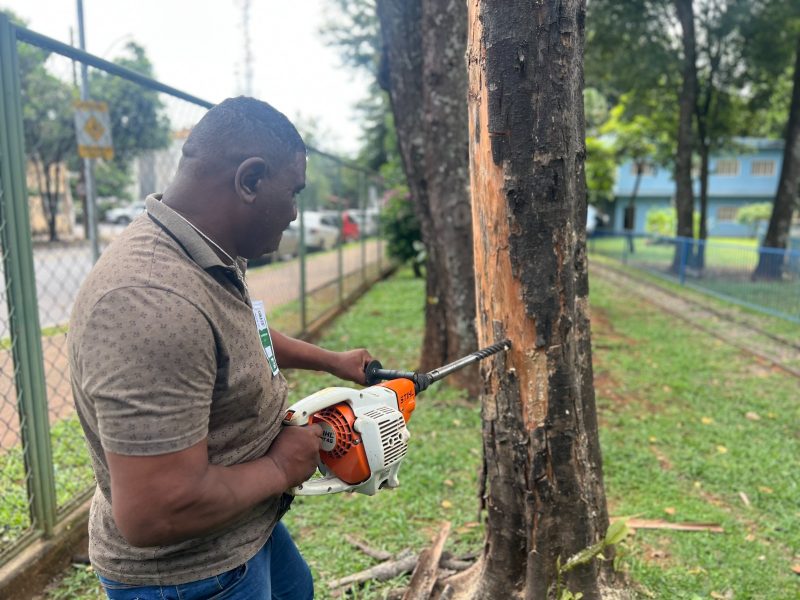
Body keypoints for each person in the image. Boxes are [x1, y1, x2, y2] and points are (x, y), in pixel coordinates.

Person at [68, 96, 373, 600]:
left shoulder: (209, 250)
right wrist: (279, 467)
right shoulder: (148, 302)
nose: (295, 214)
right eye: (293, 192)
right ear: (250, 181)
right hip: (193, 575)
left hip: (245, 527)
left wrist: (332, 362)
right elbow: (155, 510)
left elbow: (238, 335)